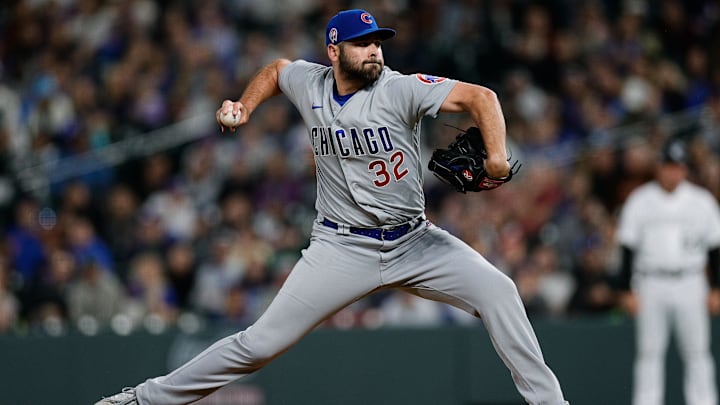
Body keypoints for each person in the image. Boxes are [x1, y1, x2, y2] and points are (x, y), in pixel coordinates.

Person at [96, 9, 569, 405]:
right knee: (258, 345)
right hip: (340, 248)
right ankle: (142, 400)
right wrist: (244, 106)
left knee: (500, 292)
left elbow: (481, 97)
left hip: (415, 242)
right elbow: (278, 70)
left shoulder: (400, 88)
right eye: (363, 44)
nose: (375, 51)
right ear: (334, 51)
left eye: (378, 43)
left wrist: (497, 156)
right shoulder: (311, 83)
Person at [616, 137, 720, 405]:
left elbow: (715, 249)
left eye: (678, 166)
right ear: (658, 167)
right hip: (651, 281)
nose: (672, 171)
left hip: (691, 280)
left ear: (685, 169)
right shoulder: (641, 200)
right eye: (668, 165)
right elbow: (627, 248)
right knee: (649, 352)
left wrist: (717, 288)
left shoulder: (702, 201)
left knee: (697, 351)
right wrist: (626, 288)